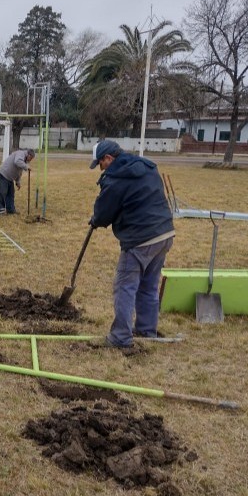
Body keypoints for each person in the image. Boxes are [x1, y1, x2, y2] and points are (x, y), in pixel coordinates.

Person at [88, 139, 175, 348]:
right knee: (148, 286)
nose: (100, 168)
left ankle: (120, 337)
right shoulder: (146, 166)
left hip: (140, 239)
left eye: (100, 164)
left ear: (108, 158)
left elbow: (103, 213)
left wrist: (96, 220)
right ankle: (146, 330)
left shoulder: (116, 178)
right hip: (164, 233)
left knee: (125, 286)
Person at [0, 148, 35, 215]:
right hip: (3, 174)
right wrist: (26, 167)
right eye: (31, 158)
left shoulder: (24, 161)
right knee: (2, 192)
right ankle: (0, 210)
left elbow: (19, 172)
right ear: (28, 155)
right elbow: (17, 161)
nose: (30, 160)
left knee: (11, 194)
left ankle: (10, 210)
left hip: (10, 178)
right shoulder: (21, 154)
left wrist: (18, 182)